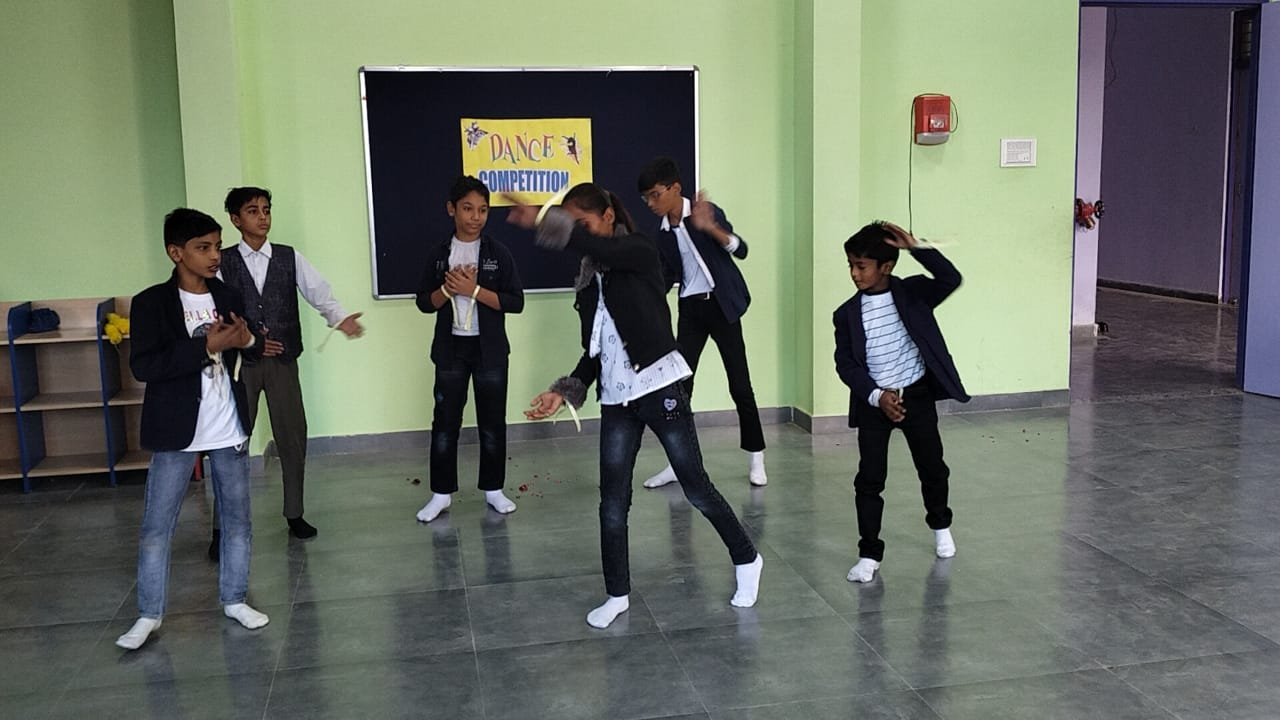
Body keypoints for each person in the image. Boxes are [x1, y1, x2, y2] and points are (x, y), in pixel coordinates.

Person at [509, 182, 763, 629]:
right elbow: (595, 352)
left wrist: (546, 222)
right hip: (616, 399)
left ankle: (747, 558)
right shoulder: (588, 280)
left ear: (608, 216)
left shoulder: (639, 251)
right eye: (572, 226)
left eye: (582, 224)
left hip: (660, 386)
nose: (578, 234)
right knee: (612, 502)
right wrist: (563, 390)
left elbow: (598, 248)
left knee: (695, 486)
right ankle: (617, 595)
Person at [116, 208, 269, 650]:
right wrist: (206, 346)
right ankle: (149, 614)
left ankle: (235, 599)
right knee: (156, 527)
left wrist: (246, 340)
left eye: (217, 246)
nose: (214, 255)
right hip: (176, 430)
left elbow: (253, 348)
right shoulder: (151, 303)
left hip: (228, 427)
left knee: (237, 522)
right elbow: (145, 366)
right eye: (203, 248)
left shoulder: (228, 295)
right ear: (175, 252)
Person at [212, 186, 364, 553]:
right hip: (241, 365)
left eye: (266, 209)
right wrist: (246, 338)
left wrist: (340, 318)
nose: (262, 216)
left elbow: (319, 292)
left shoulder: (288, 257)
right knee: (231, 443)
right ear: (235, 219)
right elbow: (214, 310)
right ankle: (221, 526)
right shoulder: (223, 262)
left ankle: (294, 512)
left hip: (282, 362)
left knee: (292, 437)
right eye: (253, 211)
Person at [833, 221, 969, 583]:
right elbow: (845, 364)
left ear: (886, 266)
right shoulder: (846, 314)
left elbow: (950, 279)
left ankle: (940, 525)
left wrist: (915, 247)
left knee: (932, 467)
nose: (854, 273)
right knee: (869, 479)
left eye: (861, 266)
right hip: (874, 403)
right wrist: (878, 396)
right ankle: (869, 553)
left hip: (916, 396)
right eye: (851, 265)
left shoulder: (913, 294)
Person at [635, 157, 767, 488]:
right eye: (646, 198)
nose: (650, 203)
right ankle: (677, 463)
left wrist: (711, 228)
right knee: (680, 389)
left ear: (675, 188)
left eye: (655, 195)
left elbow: (741, 249)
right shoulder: (662, 234)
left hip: (722, 307)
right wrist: (643, 297)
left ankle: (756, 456)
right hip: (691, 311)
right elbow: (667, 276)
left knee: (740, 385)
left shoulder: (705, 212)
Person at [414, 176, 525, 522]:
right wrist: (448, 291)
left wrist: (473, 290)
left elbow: (515, 302)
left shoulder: (497, 253)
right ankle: (441, 494)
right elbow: (424, 302)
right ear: (451, 209)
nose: (476, 217)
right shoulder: (439, 254)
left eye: (483, 210)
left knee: (492, 423)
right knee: (445, 423)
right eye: (468, 209)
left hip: (489, 350)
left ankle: (494, 490)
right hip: (451, 350)